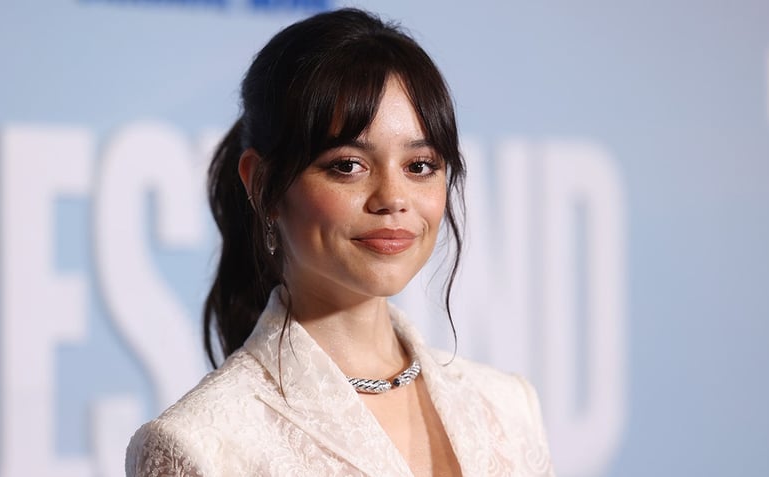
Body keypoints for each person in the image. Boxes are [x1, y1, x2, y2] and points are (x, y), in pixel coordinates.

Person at [126, 8, 554, 477]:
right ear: (263, 185)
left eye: (420, 166)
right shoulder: (201, 447)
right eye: (348, 165)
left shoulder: (509, 409)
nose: (393, 199)